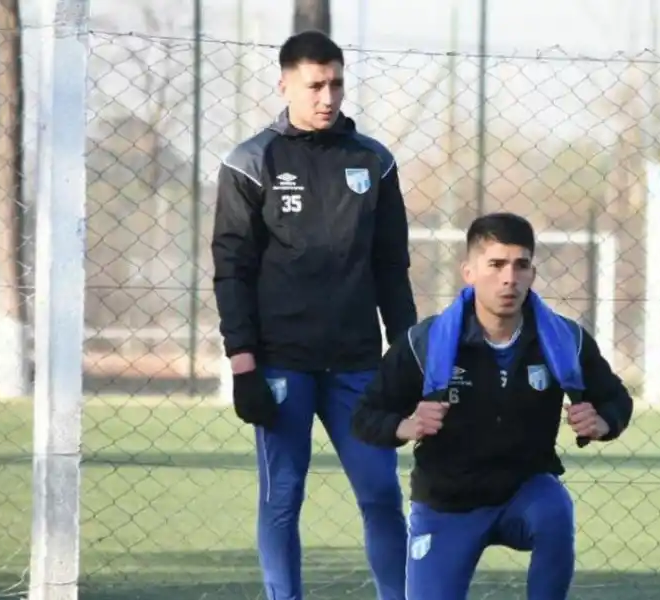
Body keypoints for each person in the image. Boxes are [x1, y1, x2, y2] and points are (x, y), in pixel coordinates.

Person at [211, 30, 416, 600]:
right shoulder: (251, 162)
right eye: (315, 85)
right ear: (284, 85)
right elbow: (232, 270)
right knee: (283, 499)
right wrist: (244, 365)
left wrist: (404, 356)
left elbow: (391, 268)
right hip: (282, 364)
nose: (328, 97)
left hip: (356, 364)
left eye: (337, 83)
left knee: (380, 495)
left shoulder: (374, 161)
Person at [351, 212, 634, 600]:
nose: (509, 278)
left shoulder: (564, 339)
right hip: (446, 504)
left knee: (555, 509)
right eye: (496, 264)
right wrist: (405, 426)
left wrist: (604, 422)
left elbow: (616, 399)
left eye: (521, 266)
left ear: (532, 273)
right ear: (469, 271)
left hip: (524, 492)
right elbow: (365, 415)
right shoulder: (425, 342)